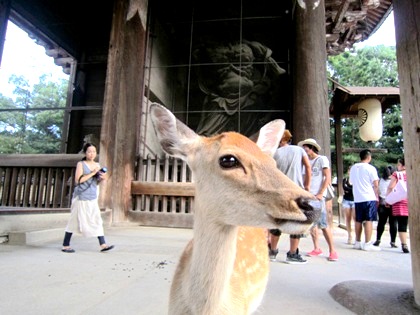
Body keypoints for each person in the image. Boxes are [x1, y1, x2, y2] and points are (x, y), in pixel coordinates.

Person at [268, 130, 311, 264]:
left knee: (277, 222)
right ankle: (292, 254)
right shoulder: (299, 150)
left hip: (280, 192)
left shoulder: (275, 153)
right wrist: (307, 186)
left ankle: (273, 252)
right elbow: (308, 167)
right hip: (296, 191)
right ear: (288, 138)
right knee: (296, 222)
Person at [61, 143, 114, 253]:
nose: (92, 154)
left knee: (96, 219)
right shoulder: (81, 164)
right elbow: (78, 180)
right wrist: (92, 173)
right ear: (85, 153)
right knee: (74, 220)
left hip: (92, 196)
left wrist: (101, 177)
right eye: (89, 151)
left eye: (94, 151)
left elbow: (96, 181)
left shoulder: (97, 165)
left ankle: (103, 244)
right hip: (81, 196)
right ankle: (65, 245)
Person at [297, 138, 338, 262]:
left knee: (323, 224)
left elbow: (327, 177)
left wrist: (321, 193)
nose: (304, 150)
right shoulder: (305, 162)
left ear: (311, 148)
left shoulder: (321, 159)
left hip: (318, 196)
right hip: (309, 195)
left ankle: (332, 251)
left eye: (306, 148)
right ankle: (316, 248)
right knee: (312, 224)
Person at [349, 149, 380, 251]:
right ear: (369, 157)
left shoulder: (353, 168)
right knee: (369, 220)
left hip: (357, 198)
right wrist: (377, 196)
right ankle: (367, 243)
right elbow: (376, 184)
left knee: (358, 220)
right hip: (368, 197)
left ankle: (357, 242)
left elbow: (351, 182)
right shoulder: (370, 168)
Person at [386, 158, 409, 253]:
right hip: (410, 201)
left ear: (402, 165)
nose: (397, 166)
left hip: (399, 202)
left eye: (398, 164)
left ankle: (404, 244)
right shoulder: (413, 172)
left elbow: (391, 186)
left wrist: (388, 199)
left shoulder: (396, 174)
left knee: (401, 224)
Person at [373, 166, 397, 248]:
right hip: (393, 203)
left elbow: (378, 191)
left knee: (381, 222)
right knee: (393, 223)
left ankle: (378, 239)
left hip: (382, 203)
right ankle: (393, 241)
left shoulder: (380, 181)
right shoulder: (395, 181)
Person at [342, 166, 355, 244]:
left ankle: (357, 236)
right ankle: (349, 235)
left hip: (355, 200)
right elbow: (345, 188)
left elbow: (353, 190)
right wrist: (350, 190)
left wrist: (349, 190)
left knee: (356, 219)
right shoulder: (345, 180)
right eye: (350, 170)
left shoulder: (357, 180)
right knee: (348, 219)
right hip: (346, 200)